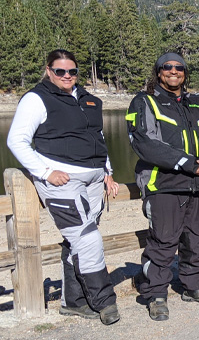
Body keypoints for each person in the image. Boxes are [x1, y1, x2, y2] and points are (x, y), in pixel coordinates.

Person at [7, 49, 120, 325]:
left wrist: (108, 171)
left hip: (95, 180)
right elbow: (16, 140)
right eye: (60, 71)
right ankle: (104, 301)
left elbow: (98, 136)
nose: (67, 76)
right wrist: (45, 172)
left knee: (78, 241)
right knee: (88, 237)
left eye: (72, 71)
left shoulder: (87, 99)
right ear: (49, 71)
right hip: (63, 180)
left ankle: (74, 303)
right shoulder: (36, 99)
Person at [127, 53, 199, 321]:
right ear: (158, 72)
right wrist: (189, 163)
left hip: (197, 184)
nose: (173, 71)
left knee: (198, 238)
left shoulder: (198, 103)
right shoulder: (144, 102)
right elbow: (145, 143)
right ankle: (155, 295)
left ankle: (195, 286)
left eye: (179, 67)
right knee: (162, 241)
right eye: (167, 67)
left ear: (185, 72)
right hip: (164, 184)